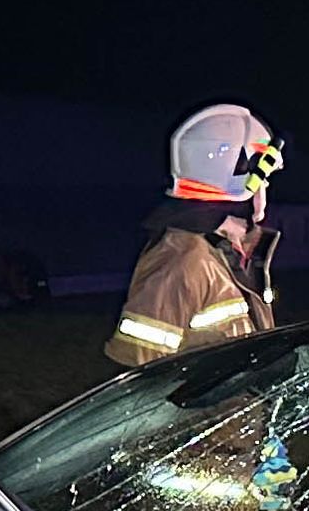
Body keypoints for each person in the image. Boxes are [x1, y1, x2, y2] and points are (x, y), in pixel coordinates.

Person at [108, 102, 283, 364]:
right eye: (265, 180)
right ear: (243, 182)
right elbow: (141, 379)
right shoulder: (183, 261)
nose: (266, 190)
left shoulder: (233, 252)